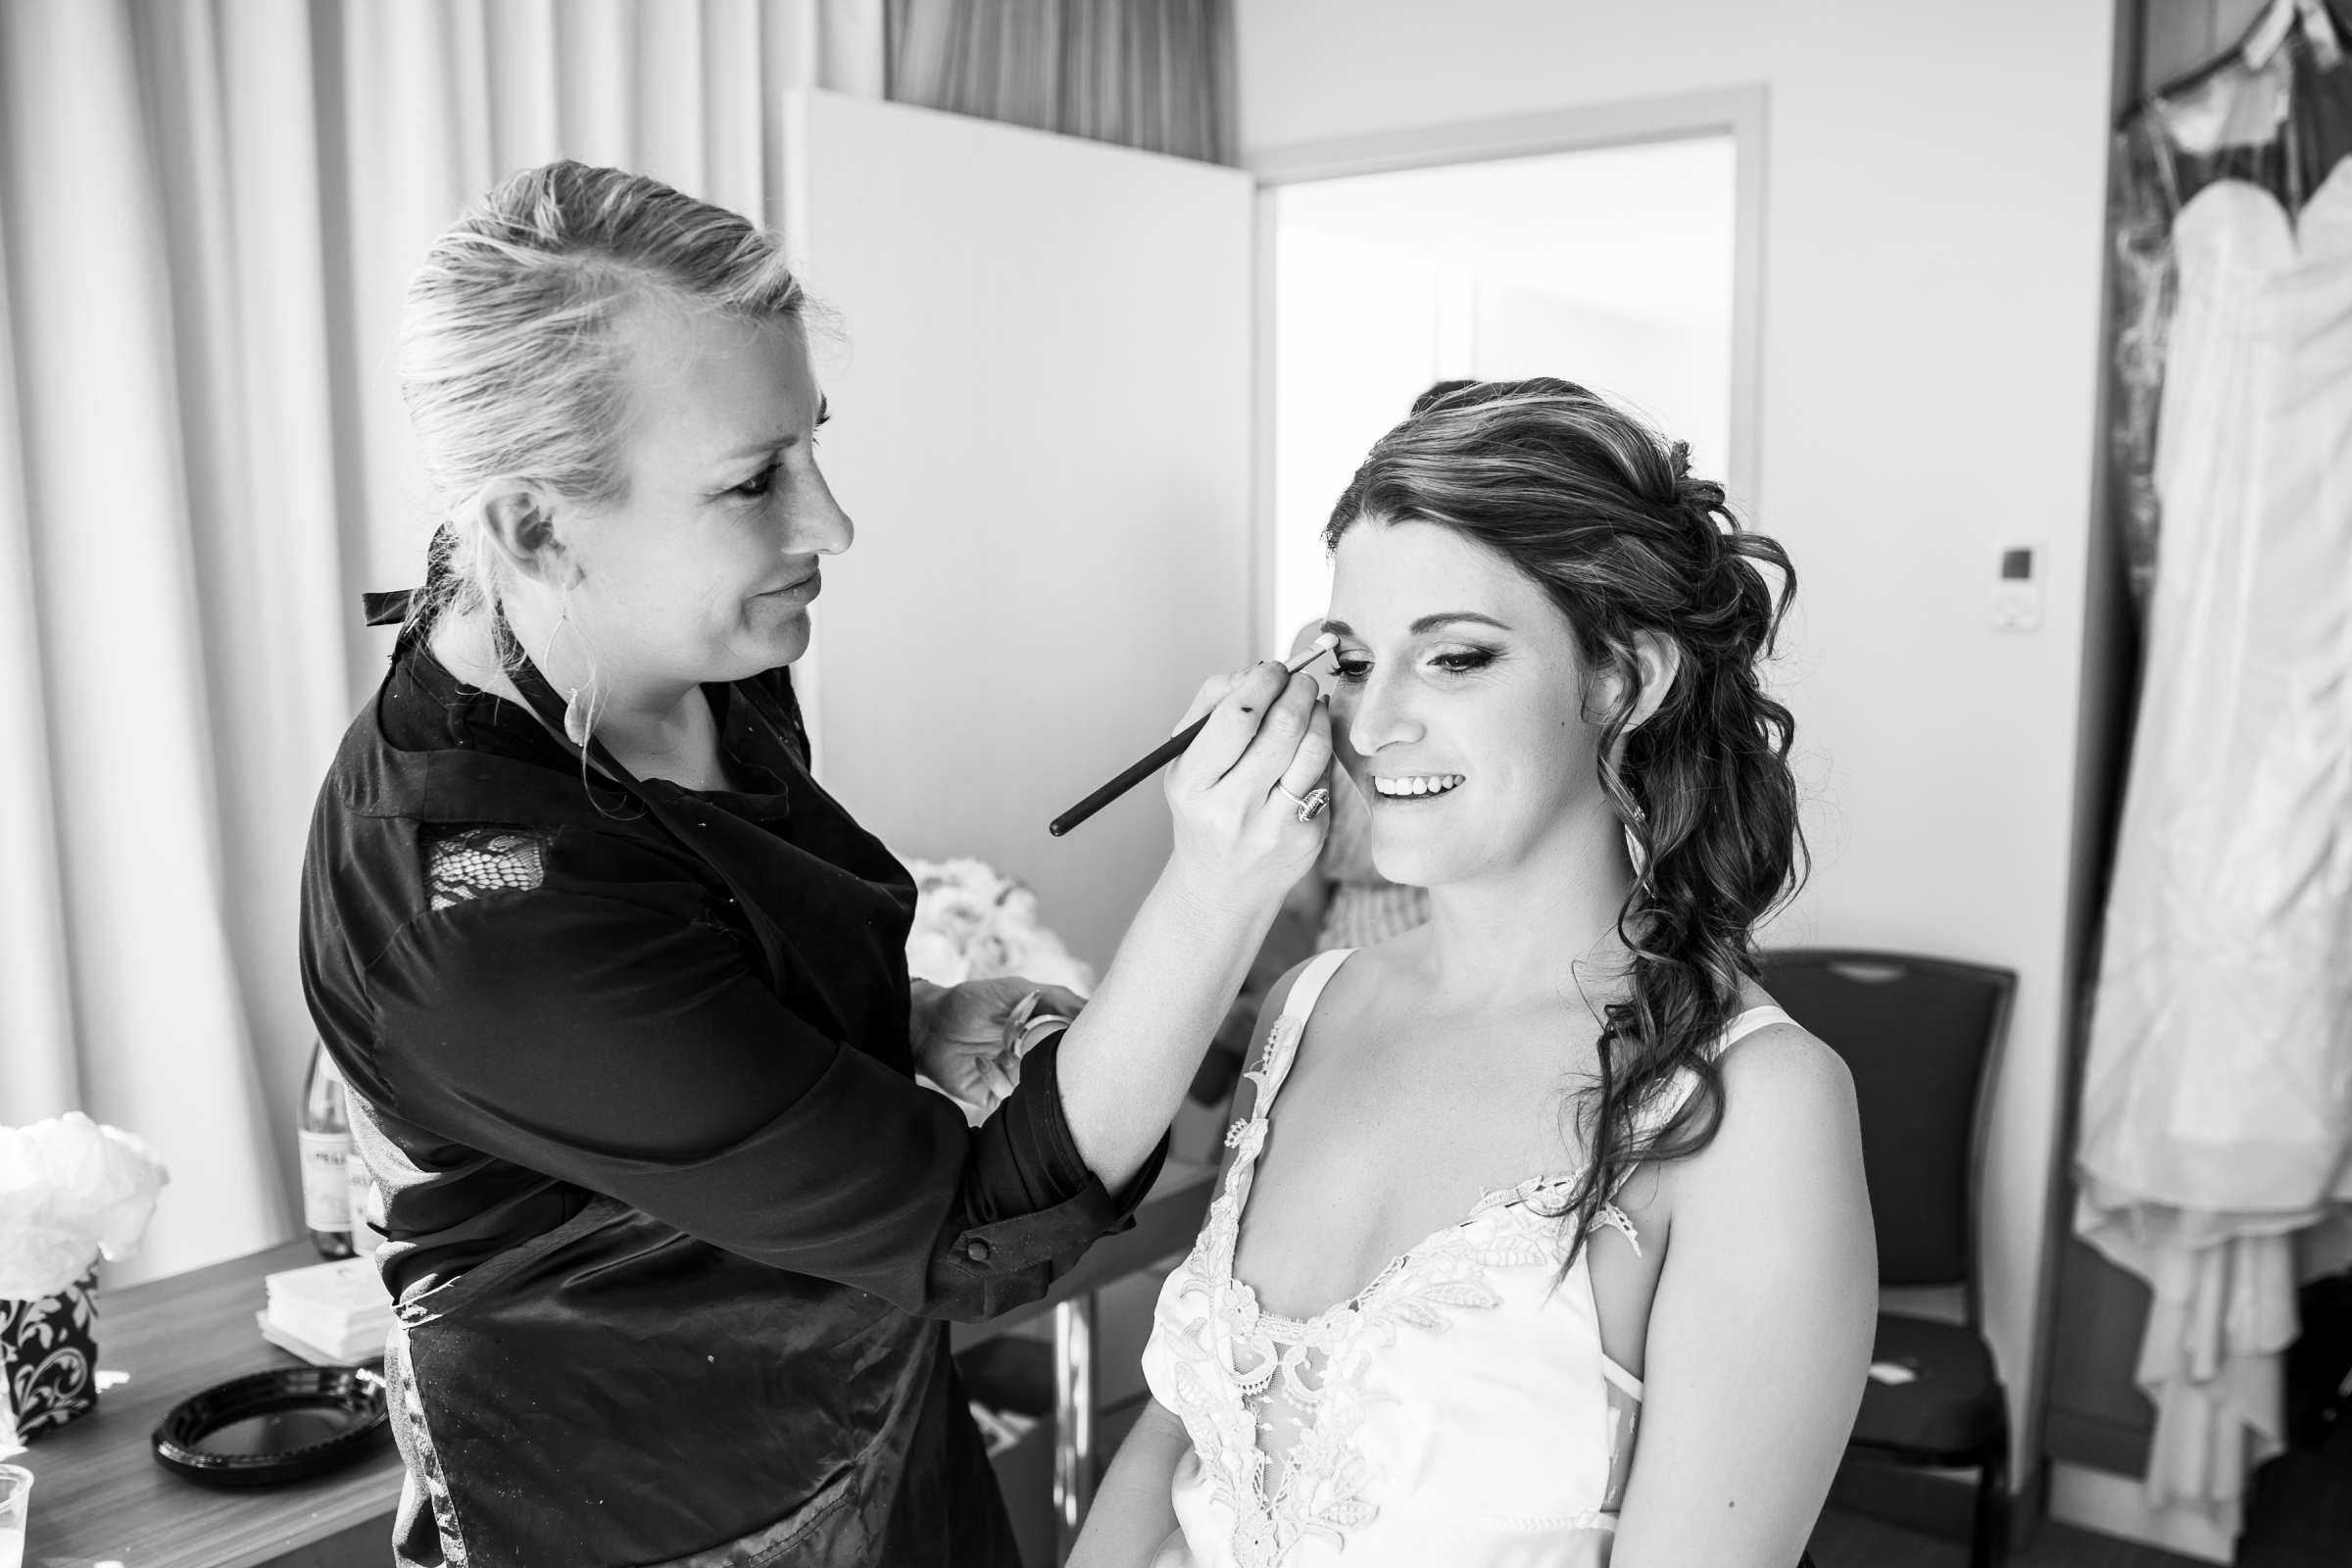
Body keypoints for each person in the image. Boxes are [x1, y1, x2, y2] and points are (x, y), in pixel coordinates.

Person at [298, 162, 1333, 1567]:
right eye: (750, 482)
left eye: (812, 444)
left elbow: (702, 986)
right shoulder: (478, 907)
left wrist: (890, 1024)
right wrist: (1217, 890)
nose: (831, 524)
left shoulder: (681, 661)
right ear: (535, 526)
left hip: (875, 1419)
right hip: (645, 1520)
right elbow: (972, 1230)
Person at [1073, 379, 1876, 1568]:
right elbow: (1177, 1437)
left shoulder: (1758, 1107)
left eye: (1453, 658)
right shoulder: (1309, 1006)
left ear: (1626, 680)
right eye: (1351, 659)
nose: (1375, 720)